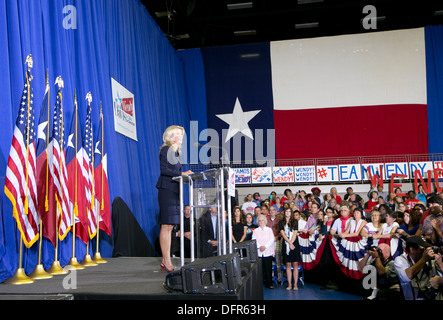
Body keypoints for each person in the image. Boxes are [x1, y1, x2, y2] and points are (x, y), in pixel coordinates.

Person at [156, 125, 192, 272]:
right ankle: (166, 260)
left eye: (181, 134)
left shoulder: (175, 152)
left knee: (170, 227)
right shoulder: (166, 149)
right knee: (166, 226)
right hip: (167, 191)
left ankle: (166, 260)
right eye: (178, 133)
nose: (181, 136)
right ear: (171, 136)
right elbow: (164, 170)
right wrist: (183, 174)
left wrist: (182, 175)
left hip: (174, 191)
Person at [394, 235, 443, 300]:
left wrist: (440, 264)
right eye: (422, 249)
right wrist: (423, 259)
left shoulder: (429, 260)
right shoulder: (401, 260)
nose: (425, 252)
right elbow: (407, 277)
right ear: (412, 250)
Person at [279, 208, 302, 290]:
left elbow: (295, 233)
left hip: (294, 243)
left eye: (289, 211)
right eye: (286, 211)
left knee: (295, 264)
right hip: (286, 243)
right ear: (284, 213)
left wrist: (291, 243)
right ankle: (289, 284)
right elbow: (283, 234)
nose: (288, 213)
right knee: (288, 264)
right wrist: (289, 243)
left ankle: (295, 284)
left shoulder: (295, 221)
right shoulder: (281, 222)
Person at [252, 214, 276, 289]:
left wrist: (265, 246)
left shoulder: (269, 230)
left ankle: (269, 283)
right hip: (259, 252)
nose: (261, 222)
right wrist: (260, 246)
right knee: (260, 270)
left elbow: (271, 239)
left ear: (265, 221)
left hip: (267, 251)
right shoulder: (255, 231)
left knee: (268, 268)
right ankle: (260, 284)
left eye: (262, 220)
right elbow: (253, 240)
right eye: (259, 221)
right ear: (258, 222)